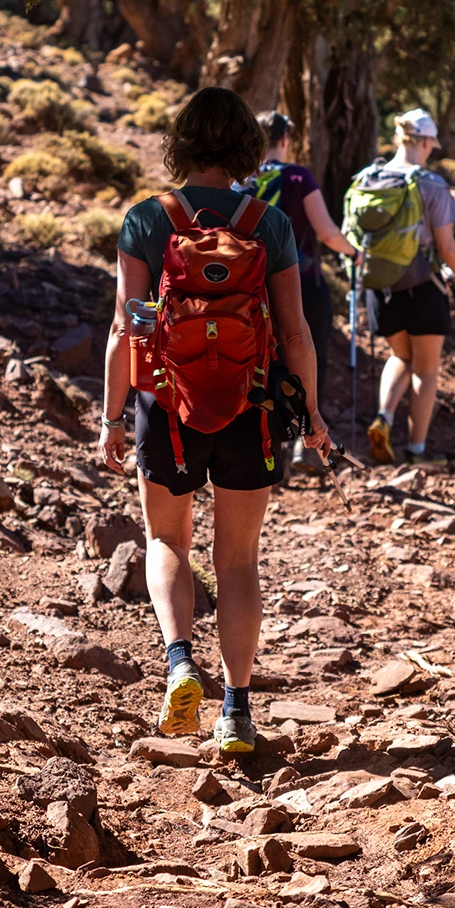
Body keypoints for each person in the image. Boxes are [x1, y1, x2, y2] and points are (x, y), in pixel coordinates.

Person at [100, 87, 332, 754]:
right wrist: (311, 414)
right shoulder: (269, 221)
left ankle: (179, 664)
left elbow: (127, 326)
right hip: (251, 410)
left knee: (167, 543)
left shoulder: (148, 217)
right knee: (237, 561)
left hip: (166, 406)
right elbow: (295, 332)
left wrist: (114, 416)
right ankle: (236, 711)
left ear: (180, 142)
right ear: (244, 148)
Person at [234, 111, 359, 474]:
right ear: (285, 139)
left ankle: (264, 444)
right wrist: (354, 253)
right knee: (305, 353)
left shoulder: (241, 181)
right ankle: (306, 444)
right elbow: (327, 233)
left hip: (252, 290)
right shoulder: (298, 176)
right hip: (303, 283)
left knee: (259, 362)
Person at [348, 108, 455, 465]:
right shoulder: (429, 184)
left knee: (400, 356)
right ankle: (417, 451)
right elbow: (447, 247)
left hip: (379, 287)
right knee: (426, 370)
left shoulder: (365, 178)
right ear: (428, 142)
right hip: (423, 286)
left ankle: (383, 417)